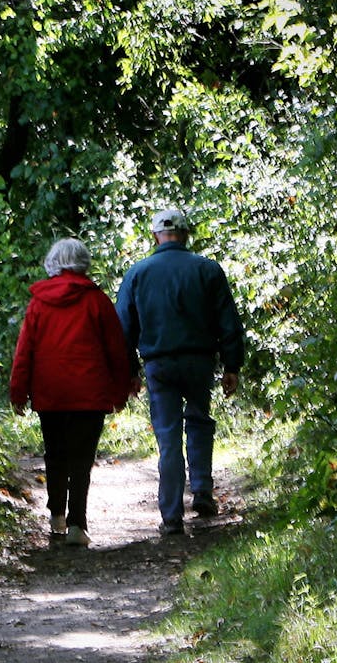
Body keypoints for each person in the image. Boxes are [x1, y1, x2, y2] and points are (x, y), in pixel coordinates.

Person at [116, 207, 244, 536]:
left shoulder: (137, 273)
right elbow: (228, 321)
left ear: (155, 235)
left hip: (158, 364)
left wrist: (129, 371)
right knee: (200, 421)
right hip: (200, 361)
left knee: (168, 436)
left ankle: (171, 515)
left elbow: (123, 329)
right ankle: (202, 491)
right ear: (186, 234)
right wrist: (232, 365)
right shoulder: (208, 270)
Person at [10, 238, 133, 547]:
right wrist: (120, 391)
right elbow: (116, 349)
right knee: (81, 459)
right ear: (83, 262)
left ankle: (56, 518)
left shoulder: (38, 303)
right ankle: (78, 523)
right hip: (89, 393)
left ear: (53, 262)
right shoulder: (97, 300)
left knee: (55, 454)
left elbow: (25, 351)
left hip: (50, 392)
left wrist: (18, 392)